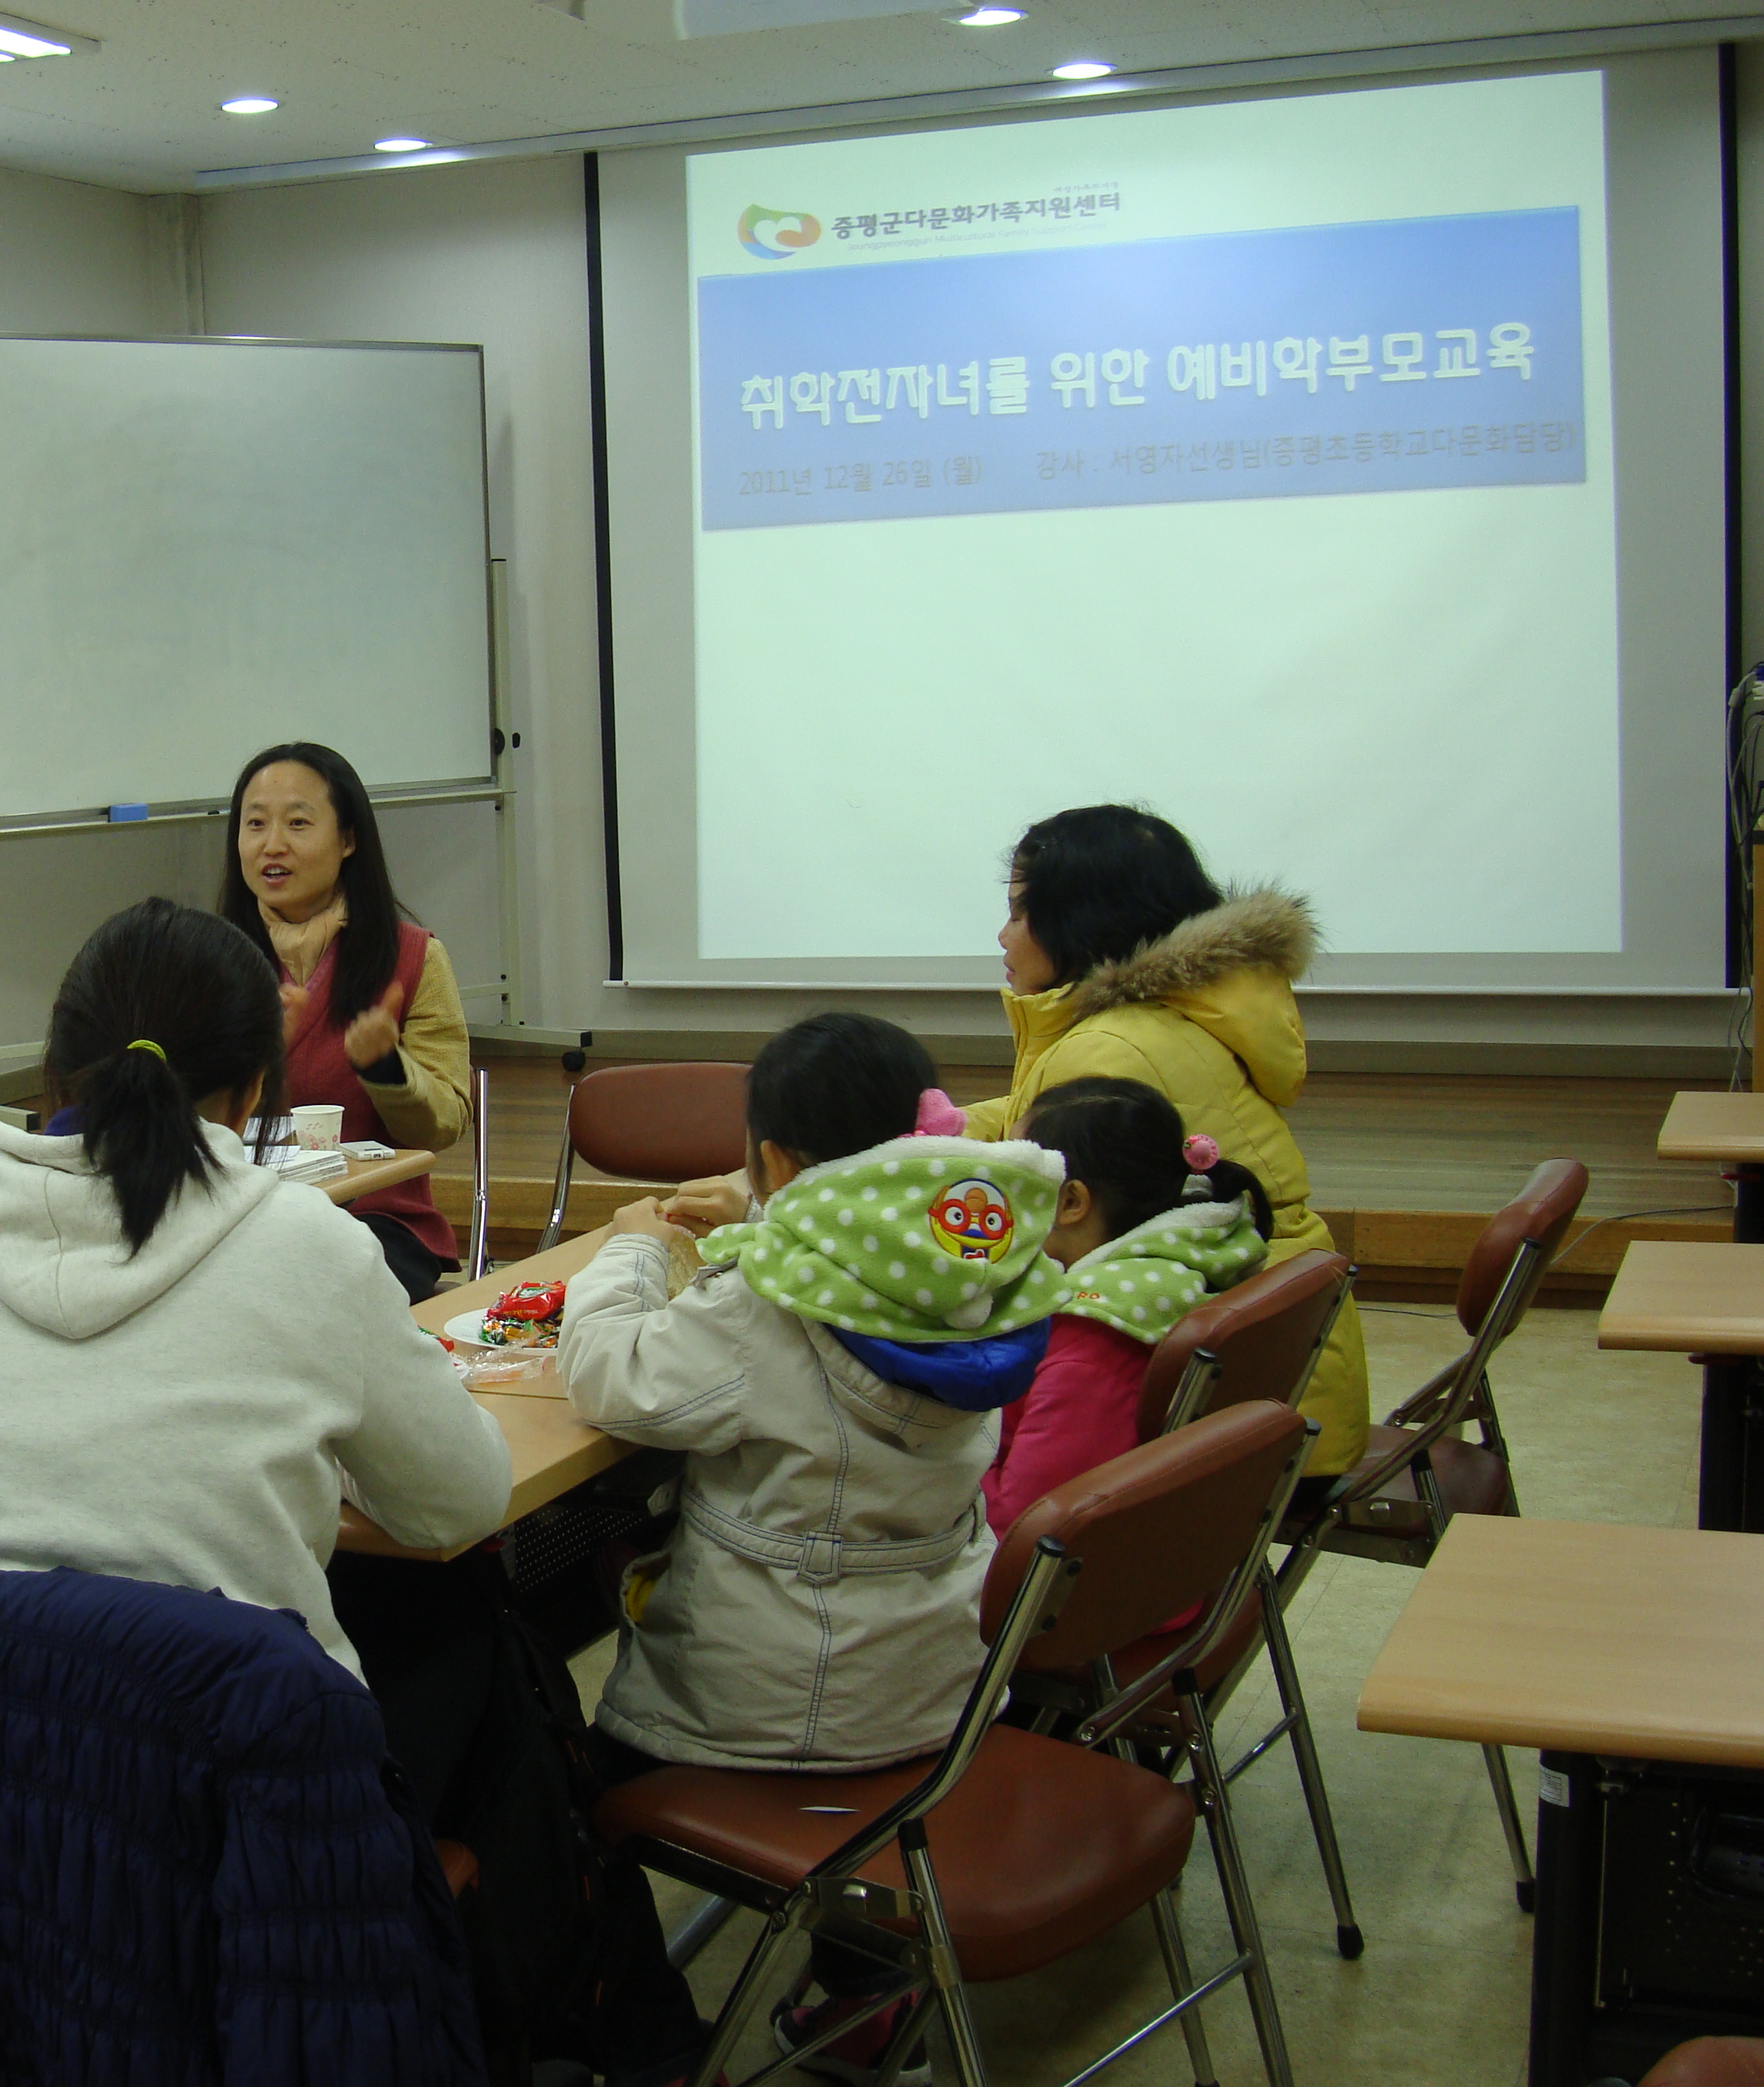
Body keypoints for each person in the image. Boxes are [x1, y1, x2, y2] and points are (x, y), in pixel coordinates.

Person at [560, 1012, 1072, 2081]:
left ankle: (622, 2034)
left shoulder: (768, 1301)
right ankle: (861, 1984)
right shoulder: (974, 1266)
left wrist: (630, 1252)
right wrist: (759, 1211)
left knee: (558, 1775)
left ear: (780, 1159)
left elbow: (609, 1373)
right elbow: (852, 1245)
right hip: (938, 1681)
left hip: (781, 1704)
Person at [0, 896, 509, 1681]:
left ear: (54, 1068)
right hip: (238, 1764)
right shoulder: (309, 1245)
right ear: (255, 1092)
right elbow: (461, 1501)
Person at [957, 805, 1367, 1484]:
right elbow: (1031, 1118)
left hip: (1224, 1420)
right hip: (1292, 1386)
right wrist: (929, 1133)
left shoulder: (1110, 1046)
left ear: (1080, 919)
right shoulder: (1157, 1018)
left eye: (1020, 913)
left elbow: (1013, 1214)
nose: (1004, 936)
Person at [217, 743, 473, 1303]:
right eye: (254, 824)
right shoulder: (208, 960)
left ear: (349, 839)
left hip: (375, 1222)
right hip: (236, 1214)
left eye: (298, 823)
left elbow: (445, 1123)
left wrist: (386, 1068)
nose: (272, 845)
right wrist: (251, 1065)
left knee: (297, 1289)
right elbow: (179, 1116)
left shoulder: (413, 958)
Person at [984, 1077, 1277, 1533]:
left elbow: (1024, 1525)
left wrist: (941, 1472)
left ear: (1071, 1202)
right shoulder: (1188, 1263)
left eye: (1009, 1174)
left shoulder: (1092, 1336)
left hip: (1076, 1591)